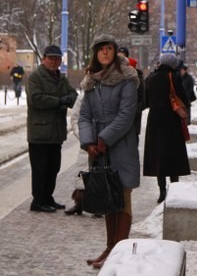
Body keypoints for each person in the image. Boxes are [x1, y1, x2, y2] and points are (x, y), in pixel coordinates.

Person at [79, 34, 140, 269]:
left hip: (121, 145)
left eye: (109, 49)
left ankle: (119, 248)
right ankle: (109, 247)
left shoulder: (127, 79)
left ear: (114, 52)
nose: (105, 53)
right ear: (95, 53)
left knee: (122, 195)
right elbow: (84, 115)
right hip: (98, 148)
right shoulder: (91, 82)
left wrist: (104, 138)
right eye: (100, 49)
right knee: (106, 195)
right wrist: (88, 142)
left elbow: (126, 116)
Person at [26, 44, 78, 213]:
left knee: (53, 167)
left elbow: (74, 96)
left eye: (57, 58)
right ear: (44, 59)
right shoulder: (35, 77)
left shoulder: (61, 78)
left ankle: (48, 197)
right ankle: (38, 201)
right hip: (40, 132)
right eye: (51, 58)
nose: (54, 62)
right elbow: (36, 99)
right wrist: (60, 101)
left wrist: (66, 99)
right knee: (40, 168)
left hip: (56, 132)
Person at [143, 53, 190, 203]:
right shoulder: (174, 77)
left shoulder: (150, 78)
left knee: (159, 157)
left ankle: (162, 190)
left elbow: (145, 101)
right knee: (173, 155)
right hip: (172, 121)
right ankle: (174, 189)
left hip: (155, 121)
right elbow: (183, 98)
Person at [118, 46, 144, 140]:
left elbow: (142, 98)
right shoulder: (115, 75)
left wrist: (135, 109)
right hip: (119, 119)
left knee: (132, 142)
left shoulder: (137, 77)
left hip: (133, 117)